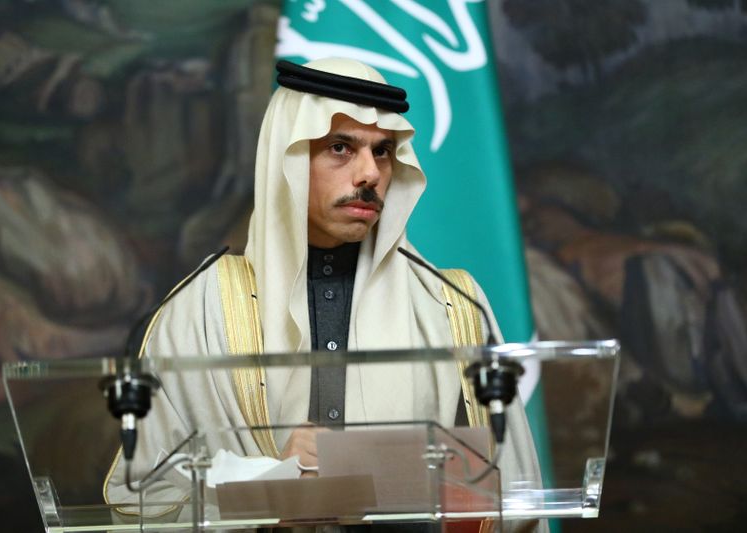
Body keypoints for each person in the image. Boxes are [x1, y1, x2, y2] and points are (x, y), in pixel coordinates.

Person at [104, 57, 544, 532]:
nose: (368, 174)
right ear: (286, 159)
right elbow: (140, 504)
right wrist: (269, 483)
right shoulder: (201, 308)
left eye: (382, 153)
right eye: (340, 147)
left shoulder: (451, 305)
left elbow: (512, 499)